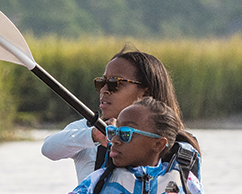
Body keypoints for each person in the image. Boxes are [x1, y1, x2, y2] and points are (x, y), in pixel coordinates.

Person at [29, 97, 242, 194]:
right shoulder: (98, 180)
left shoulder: (186, 182)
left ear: (158, 144)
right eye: (114, 132)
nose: (115, 140)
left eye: (126, 134)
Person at [41, 48, 199, 182]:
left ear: (145, 93)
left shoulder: (179, 145)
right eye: (101, 82)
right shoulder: (87, 128)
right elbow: (49, 149)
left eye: (114, 83)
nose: (104, 90)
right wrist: (94, 135)